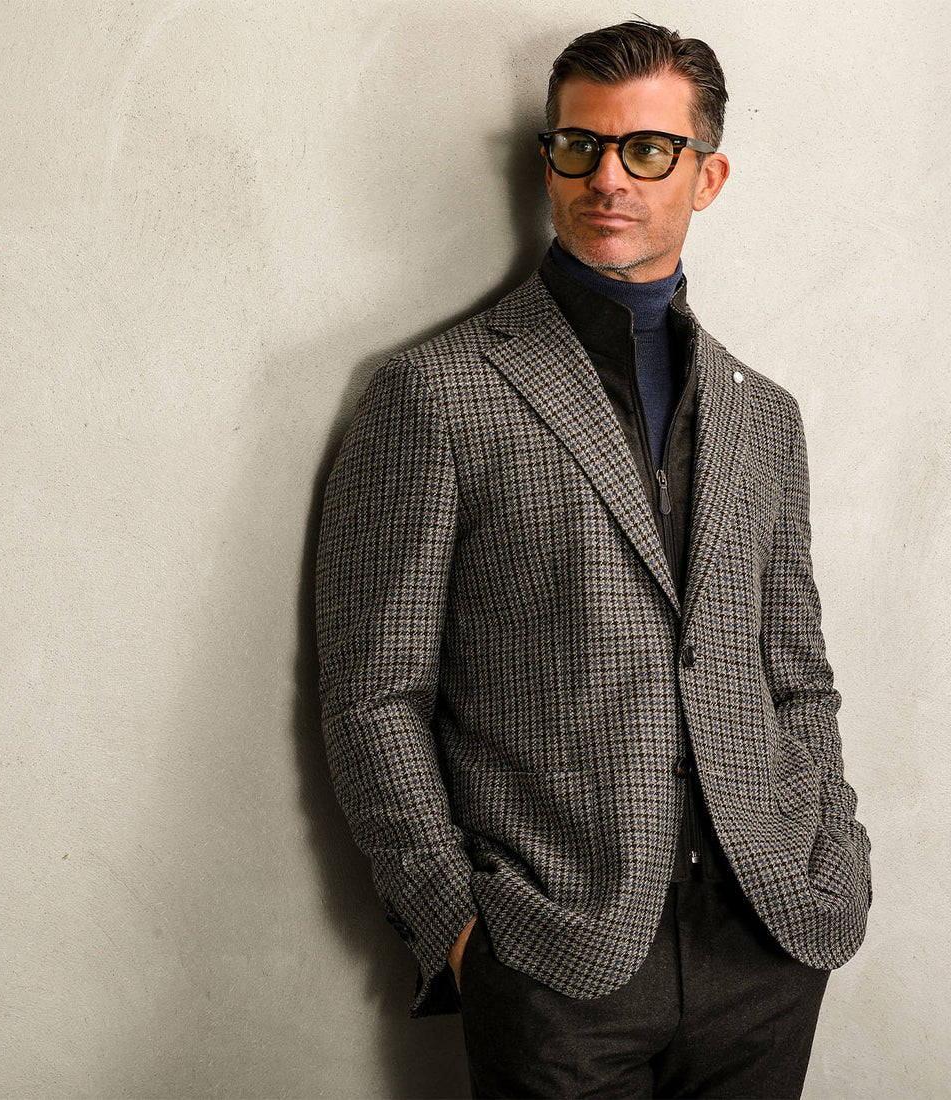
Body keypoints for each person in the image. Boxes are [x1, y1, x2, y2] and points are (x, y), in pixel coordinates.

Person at [316, 19, 871, 1099]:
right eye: (580, 146)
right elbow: (371, 693)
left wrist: (829, 863)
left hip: (764, 945)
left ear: (706, 175)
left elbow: (795, 670)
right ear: (547, 159)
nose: (605, 177)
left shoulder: (767, 418)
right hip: (553, 959)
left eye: (646, 150)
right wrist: (459, 925)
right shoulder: (434, 395)